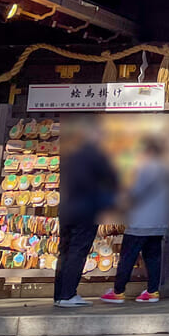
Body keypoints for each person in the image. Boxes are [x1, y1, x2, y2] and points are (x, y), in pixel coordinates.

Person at [101, 137, 169, 303]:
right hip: (159, 222)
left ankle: (118, 291)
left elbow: (134, 192)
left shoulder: (144, 168)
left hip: (141, 222)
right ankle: (153, 291)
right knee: (153, 257)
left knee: (128, 256)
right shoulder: (166, 170)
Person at [54, 118, 117, 308]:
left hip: (66, 209)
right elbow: (112, 180)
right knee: (78, 250)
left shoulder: (69, 156)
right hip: (86, 209)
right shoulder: (97, 156)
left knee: (64, 250)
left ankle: (59, 294)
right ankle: (68, 294)